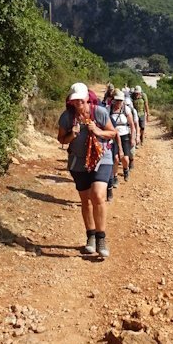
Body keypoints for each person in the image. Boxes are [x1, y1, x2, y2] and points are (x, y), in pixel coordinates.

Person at [57, 82, 117, 258]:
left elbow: (112, 133)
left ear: (87, 98)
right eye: (74, 101)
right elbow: (61, 139)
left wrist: (97, 130)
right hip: (78, 162)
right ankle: (90, 236)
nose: (78, 104)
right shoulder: (67, 117)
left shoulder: (99, 112)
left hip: (101, 158)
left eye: (81, 100)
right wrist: (72, 135)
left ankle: (101, 238)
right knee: (85, 200)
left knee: (98, 195)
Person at [109, 89, 137, 183]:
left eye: (120, 100)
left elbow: (132, 124)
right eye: (117, 100)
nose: (118, 102)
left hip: (124, 135)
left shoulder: (126, 109)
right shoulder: (109, 109)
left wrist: (133, 137)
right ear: (114, 100)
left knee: (125, 158)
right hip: (113, 136)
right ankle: (115, 177)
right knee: (116, 158)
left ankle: (125, 170)